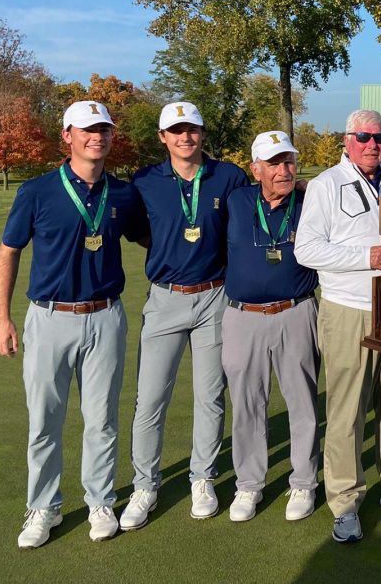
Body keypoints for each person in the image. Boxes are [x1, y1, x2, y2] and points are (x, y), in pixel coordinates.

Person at [0, 101, 148, 548]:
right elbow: (9, 251)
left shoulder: (121, 193)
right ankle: (43, 507)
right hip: (49, 317)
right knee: (45, 420)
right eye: (87, 129)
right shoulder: (37, 191)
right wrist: (2, 318)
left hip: (106, 316)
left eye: (103, 129)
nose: (96, 136)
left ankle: (100, 499)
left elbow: (149, 238)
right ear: (68, 135)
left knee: (101, 419)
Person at [295, 109, 381, 543]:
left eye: (380, 137)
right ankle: (345, 499)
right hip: (347, 309)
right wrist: (365, 258)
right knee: (347, 409)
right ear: (347, 139)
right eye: (364, 136)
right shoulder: (324, 185)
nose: (373, 144)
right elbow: (306, 249)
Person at [121, 102, 249, 530]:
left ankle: (203, 478)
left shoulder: (228, 175)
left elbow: (247, 219)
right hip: (165, 298)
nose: (185, 137)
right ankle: (145, 486)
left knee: (210, 396)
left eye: (192, 129)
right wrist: (168, 253)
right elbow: (139, 230)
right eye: (176, 131)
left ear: (202, 132)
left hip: (215, 296)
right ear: (163, 137)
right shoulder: (144, 181)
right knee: (150, 398)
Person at [220, 131, 320, 522]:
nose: (284, 169)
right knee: (247, 405)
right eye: (274, 163)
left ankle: (304, 482)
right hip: (242, 316)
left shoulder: (310, 200)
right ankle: (248, 485)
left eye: (289, 161)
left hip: (295, 311)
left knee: (302, 402)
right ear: (255, 168)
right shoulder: (236, 201)